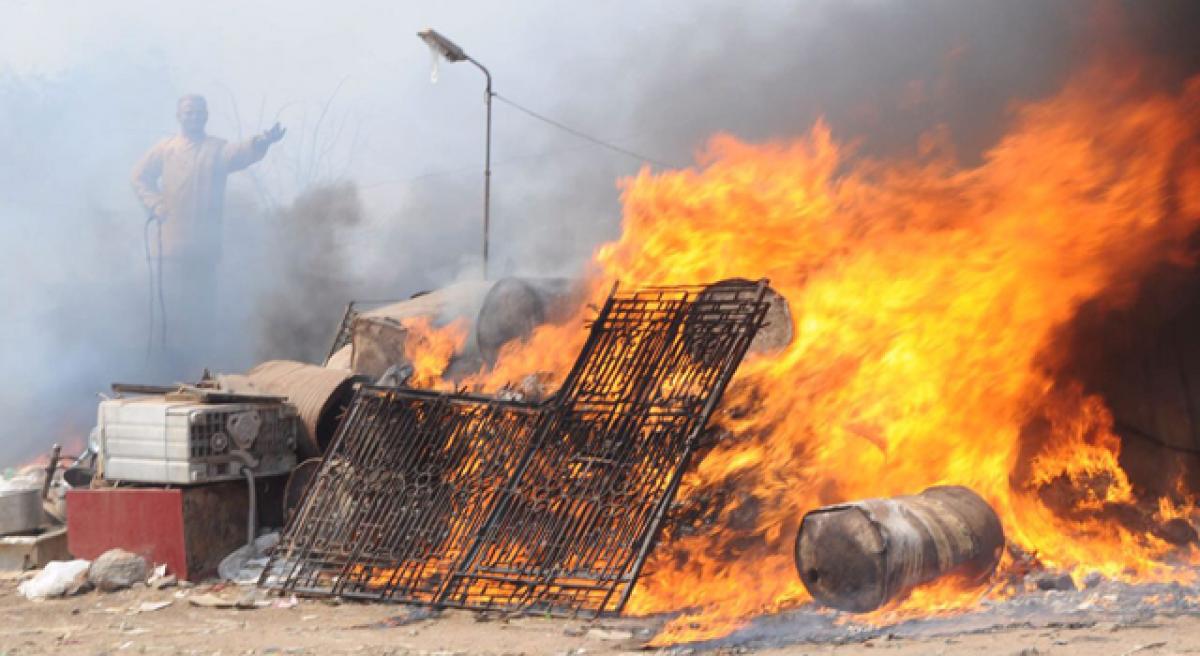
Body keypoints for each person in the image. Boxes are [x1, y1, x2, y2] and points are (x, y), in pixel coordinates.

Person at [131, 94, 285, 367]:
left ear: (206, 115)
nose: (194, 117)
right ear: (179, 116)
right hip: (170, 248)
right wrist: (155, 205)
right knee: (171, 313)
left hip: (204, 250)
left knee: (201, 314)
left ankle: (198, 364)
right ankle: (164, 365)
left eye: (199, 112)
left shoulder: (216, 149)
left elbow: (239, 153)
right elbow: (139, 177)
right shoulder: (165, 148)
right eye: (189, 112)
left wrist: (261, 140)